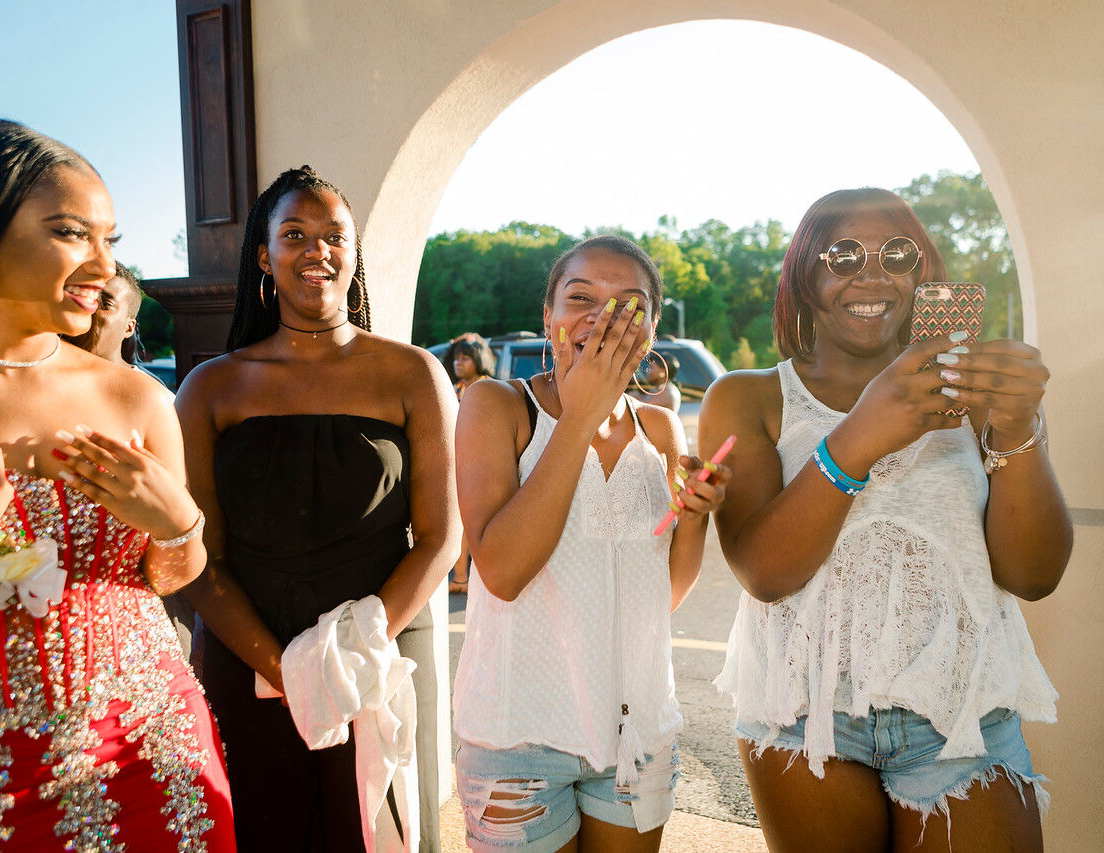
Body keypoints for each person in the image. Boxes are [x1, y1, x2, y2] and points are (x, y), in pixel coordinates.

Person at [701, 187, 1071, 851]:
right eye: (842, 255)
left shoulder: (978, 396)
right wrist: (859, 436)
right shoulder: (748, 397)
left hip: (961, 711)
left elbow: (1033, 573)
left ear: (921, 274)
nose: (871, 274)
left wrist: (1017, 427)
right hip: (804, 715)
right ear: (804, 277)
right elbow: (764, 572)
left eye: (896, 255)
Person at [0, 119, 234, 850]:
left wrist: (177, 524)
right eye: (71, 233)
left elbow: (174, 576)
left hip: (152, 747)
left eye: (110, 240)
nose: (105, 264)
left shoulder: (137, 398)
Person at [176, 165, 460, 851]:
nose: (317, 251)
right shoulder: (210, 388)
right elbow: (199, 558)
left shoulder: (414, 373)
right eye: (295, 234)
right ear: (263, 256)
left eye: (335, 235)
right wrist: (289, 671)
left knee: (376, 833)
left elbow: (440, 537)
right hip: (249, 657)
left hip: (378, 651)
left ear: (355, 252)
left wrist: (354, 653)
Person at [451, 235, 731, 852]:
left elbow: (662, 597)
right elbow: (501, 572)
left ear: (651, 331)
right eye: (580, 298)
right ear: (548, 316)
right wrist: (580, 414)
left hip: (637, 734)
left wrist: (695, 517)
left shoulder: (659, 428)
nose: (603, 319)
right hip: (517, 737)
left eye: (629, 305)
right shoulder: (497, 405)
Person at [65, 263, 198, 661]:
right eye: (83, 294)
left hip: (133, 604)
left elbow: (182, 517)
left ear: (129, 326)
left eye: (105, 301)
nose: (90, 307)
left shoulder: (155, 403)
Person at [447, 333, 495, 593]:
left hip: (483, 464)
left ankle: (468, 579)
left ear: (478, 360)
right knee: (462, 520)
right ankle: (460, 578)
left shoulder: (488, 388)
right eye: (457, 358)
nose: (459, 363)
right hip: (460, 462)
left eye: (465, 358)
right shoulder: (455, 389)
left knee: (475, 521)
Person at [451, 334, 495, 400]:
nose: (458, 363)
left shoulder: (490, 387)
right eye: (456, 359)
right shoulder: (457, 388)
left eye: (464, 359)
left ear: (478, 361)